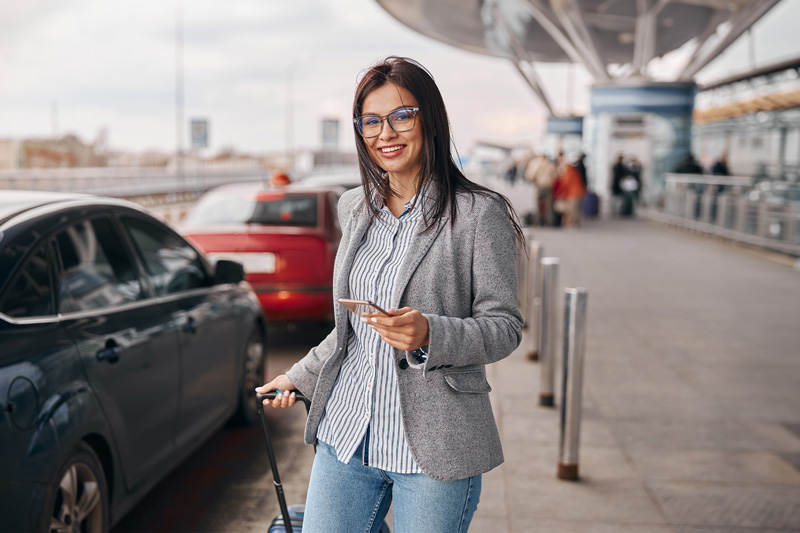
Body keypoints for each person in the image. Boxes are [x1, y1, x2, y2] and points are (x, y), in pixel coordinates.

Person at [255, 56, 524, 533]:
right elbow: (351, 331)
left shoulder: (480, 215)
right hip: (347, 435)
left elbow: (504, 327)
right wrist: (298, 378)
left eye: (402, 116)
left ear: (431, 120)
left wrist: (429, 333)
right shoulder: (355, 207)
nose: (386, 134)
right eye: (371, 121)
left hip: (435, 446)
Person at [524, 153, 558, 226]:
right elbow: (556, 176)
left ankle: (538, 222)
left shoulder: (536, 164)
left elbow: (530, 175)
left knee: (538, 204)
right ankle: (550, 222)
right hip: (549, 186)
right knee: (549, 205)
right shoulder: (550, 165)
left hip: (539, 185)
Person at [553, 155, 586, 227]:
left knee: (573, 209)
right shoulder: (574, 172)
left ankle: (573, 223)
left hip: (573, 193)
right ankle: (576, 223)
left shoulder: (569, 173)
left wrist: (559, 193)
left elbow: (565, 184)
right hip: (578, 192)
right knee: (576, 209)